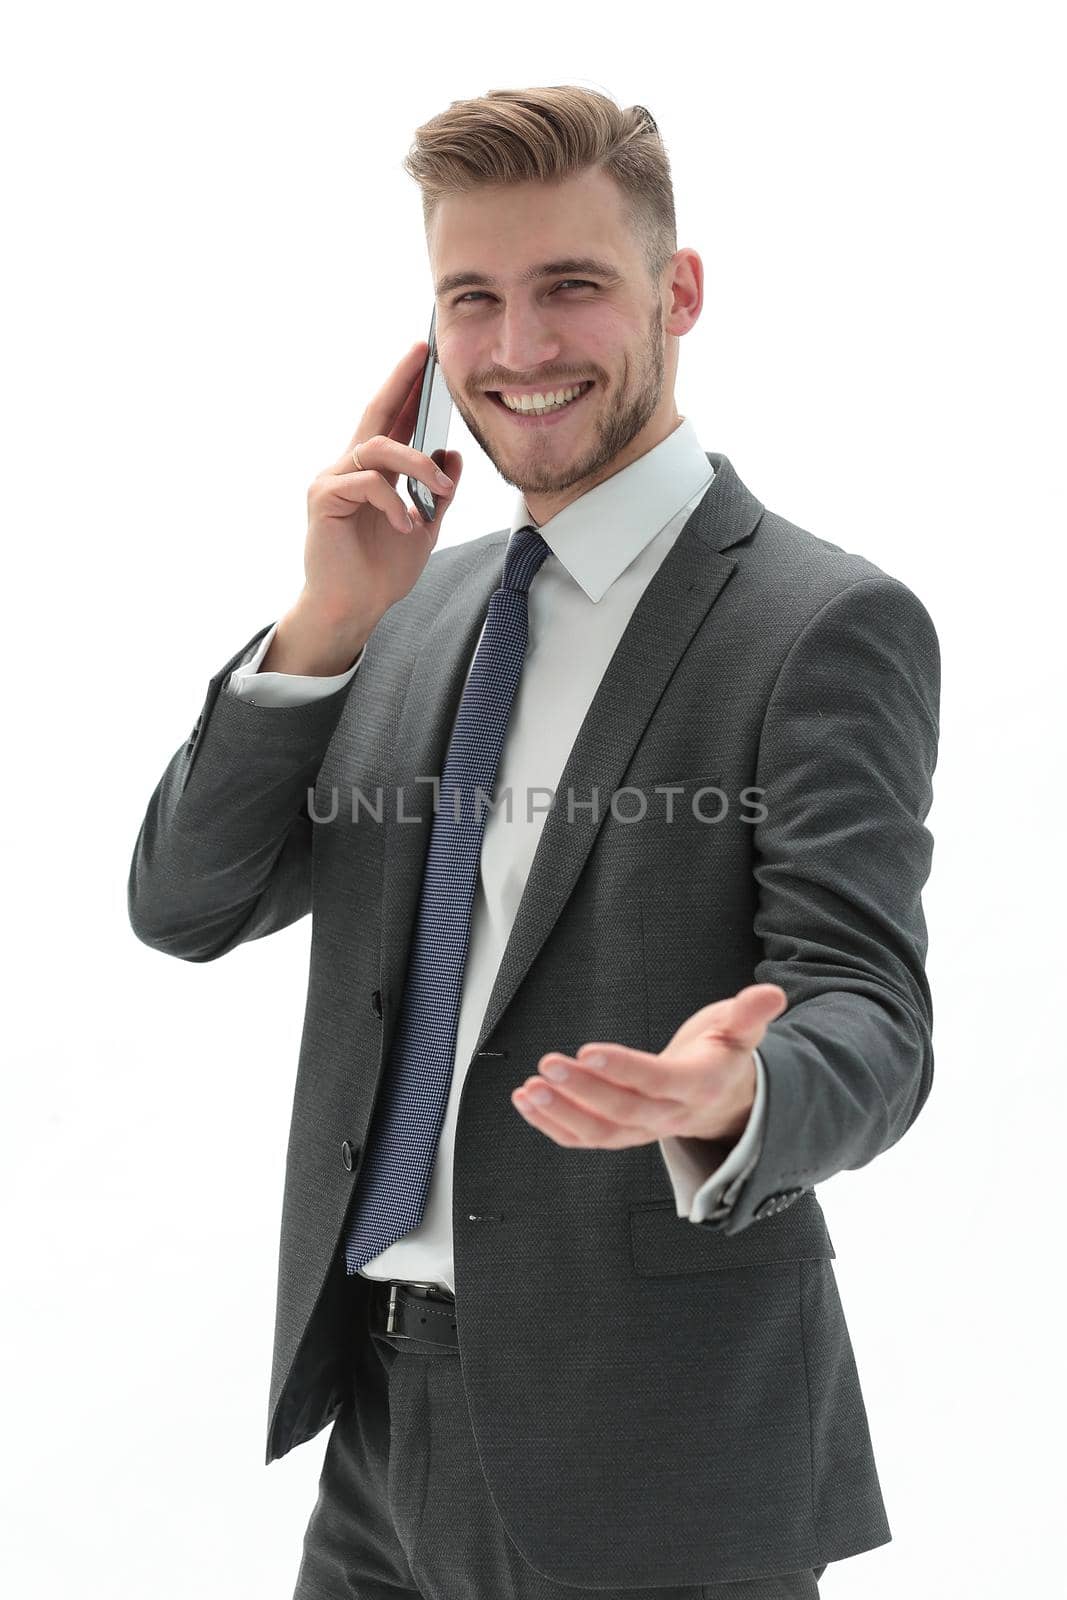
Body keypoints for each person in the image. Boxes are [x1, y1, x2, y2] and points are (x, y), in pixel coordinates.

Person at [128, 85, 940, 1600]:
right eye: (473, 301)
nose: (519, 350)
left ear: (676, 291)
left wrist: (732, 1092)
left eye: (571, 287)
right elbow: (186, 902)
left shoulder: (820, 625)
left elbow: (876, 1019)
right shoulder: (421, 604)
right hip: (374, 1425)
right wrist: (323, 625)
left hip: (652, 1454)